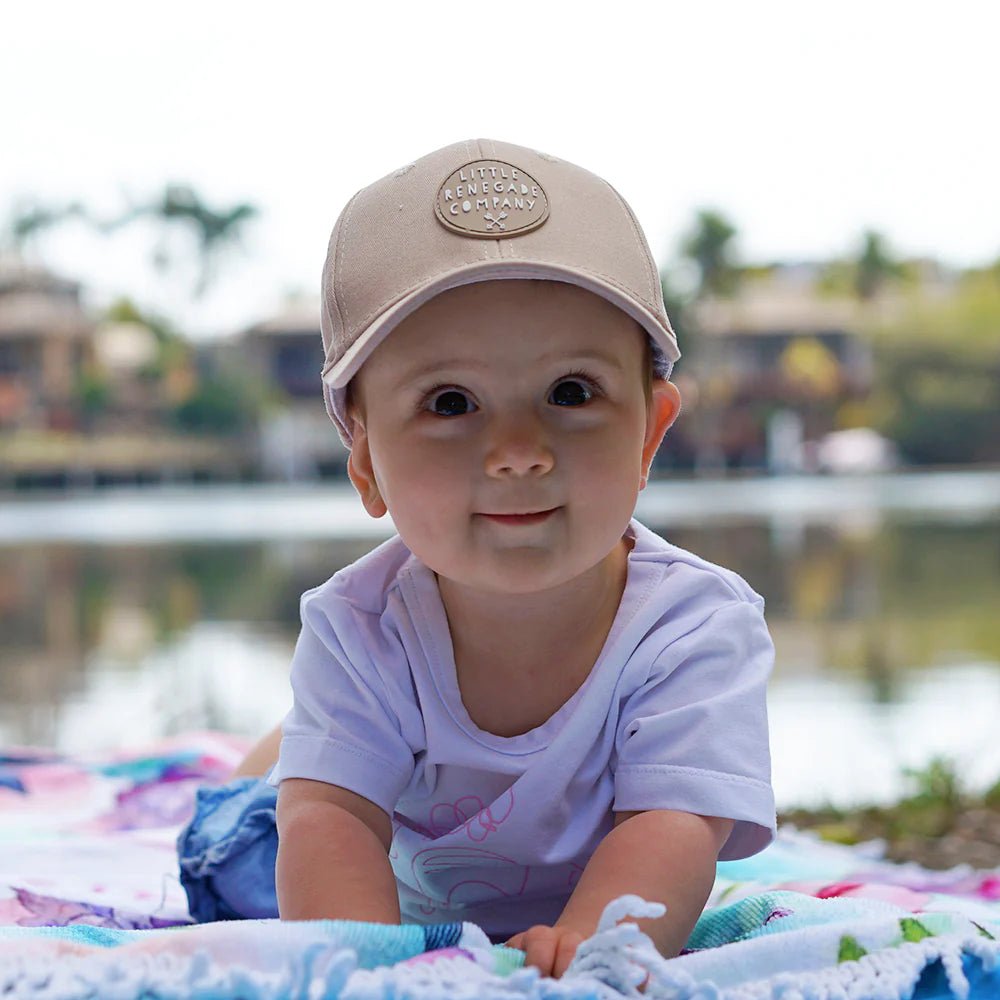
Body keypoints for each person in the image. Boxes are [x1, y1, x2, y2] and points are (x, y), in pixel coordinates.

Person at [177, 138, 775, 980]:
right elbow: (333, 824)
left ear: (648, 431)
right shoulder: (357, 630)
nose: (518, 450)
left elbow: (670, 825)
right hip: (374, 866)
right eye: (450, 403)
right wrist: (373, 968)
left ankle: (302, 745)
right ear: (365, 463)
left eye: (571, 392)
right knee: (240, 853)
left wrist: (594, 948)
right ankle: (283, 755)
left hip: (568, 876)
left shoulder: (693, 629)